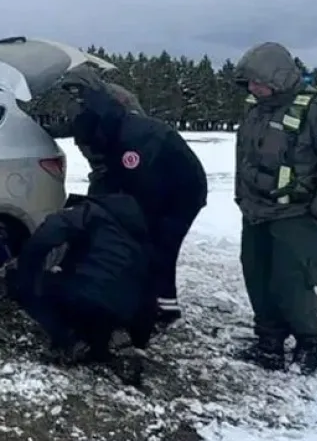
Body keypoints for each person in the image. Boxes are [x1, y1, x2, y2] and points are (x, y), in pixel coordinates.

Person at [57, 66, 208, 327]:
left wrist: (129, 216)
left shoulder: (132, 139)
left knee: (159, 244)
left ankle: (163, 308)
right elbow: (109, 173)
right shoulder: (99, 120)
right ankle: (142, 298)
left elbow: (143, 188)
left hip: (182, 191)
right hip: (148, 178)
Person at [233, 42, 317, 374]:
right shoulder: (257, 108)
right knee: (257, 276)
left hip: (299, 214)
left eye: (257, 81)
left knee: (292, 282)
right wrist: (242, 199)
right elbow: (244, 156)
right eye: (248, 83)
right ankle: (269, 343)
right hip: (256, 211)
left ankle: (308, 343)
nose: (252, 88)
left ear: (277, 76)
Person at [10, 193, 155, 371]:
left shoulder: (88, 211)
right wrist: (140, 339)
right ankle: (107, 341)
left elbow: (47, 234)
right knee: (101, 312)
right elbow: (150, 292)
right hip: (124, 309)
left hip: (86, 294)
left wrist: (26, 270)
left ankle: (70, 340)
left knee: (32, 288)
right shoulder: (139, 237)